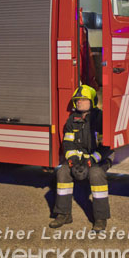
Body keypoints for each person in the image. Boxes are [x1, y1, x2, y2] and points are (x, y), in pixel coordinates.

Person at [50, 84, 112, 231]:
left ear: (92, 101)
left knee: (96, 174)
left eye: (83, 99)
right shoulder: (72, 120)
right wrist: (73, 161)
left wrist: (92, 160)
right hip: (78, 160)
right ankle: (63, 214)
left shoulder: (100, 118)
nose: (79, 102)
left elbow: (106, 147)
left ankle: (100, 218)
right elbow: (68, 143)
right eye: (77, 100)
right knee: (62, 172)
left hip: (98, 159)